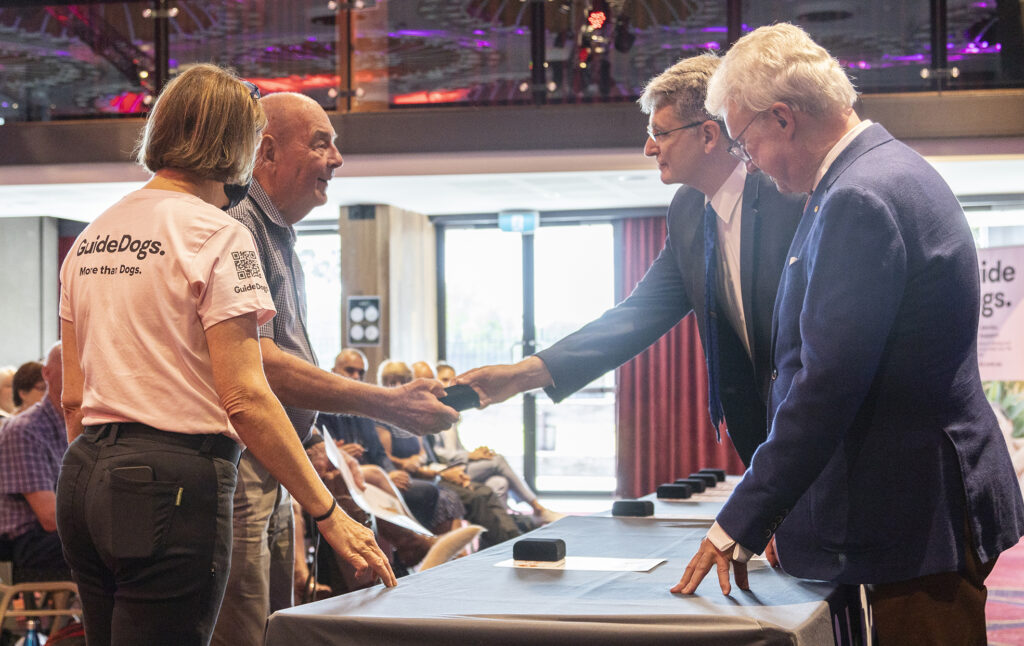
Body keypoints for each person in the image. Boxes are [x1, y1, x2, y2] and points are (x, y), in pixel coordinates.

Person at [675, 23, 1024, 645]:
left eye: (743, 140)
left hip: (913, 514)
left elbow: (826, 381)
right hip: (913, 504)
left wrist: (741, 521)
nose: (746, 160)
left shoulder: (859, 197)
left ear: (781, 118)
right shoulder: (872, 173)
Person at [57, 65, 395, 646]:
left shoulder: (93, 236)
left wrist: (112, 480)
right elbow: (245, 395)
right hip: (176, 477)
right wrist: (327, 512)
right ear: (240, 143)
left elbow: (70, 397)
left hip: (84, 475)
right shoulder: (218, 234)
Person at [456, 54, 805, 468]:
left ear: (709, 135)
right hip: (761, 442)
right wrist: (520, 376)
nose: (648, 148)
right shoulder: (688, 210)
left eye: (660, 132)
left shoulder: (791, 197)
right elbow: (637, 317)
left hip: (821, 434)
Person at [212, 92, 458, 646]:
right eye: (321, 142)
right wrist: (386, 402)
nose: (338, 159)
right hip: (244, 459)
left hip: (275, 457)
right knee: (248, 631)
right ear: (267, 152)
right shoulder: (239, 225)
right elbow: (261, 364)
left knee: (276, 622)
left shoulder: (276, 230)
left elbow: (287, 355)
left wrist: (313, 434)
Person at [377, 360, 523, 549]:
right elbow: (388, 458)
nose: (397, 386)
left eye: (403, 381)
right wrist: (439, 471)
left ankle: (511, 539)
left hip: (433, 469)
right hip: (419, 475)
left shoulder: (413, 413)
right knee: (470, 496)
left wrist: (430, 464)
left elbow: (424, 452)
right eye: (391, 381)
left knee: (488, 488)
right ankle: (506, 545)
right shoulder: (383, 417)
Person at [434, 362, 562, 523]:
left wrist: (476, 454)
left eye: (452, 380)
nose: (449, 385)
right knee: (498, 461)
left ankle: (498, 538)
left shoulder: (452, 411)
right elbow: (439, 453)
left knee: (498, 483)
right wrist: (470, 456)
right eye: (444, 379)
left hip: (460, 463)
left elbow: (456, 448)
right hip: (447, 469)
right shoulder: (433, 413)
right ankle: (537, 507)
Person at [0, 342, 70, 582]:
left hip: (54, 533)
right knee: (117, 548)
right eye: (70, 365)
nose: (80, 373)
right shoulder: (25, 430)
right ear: (47, 374)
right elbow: (50, 518)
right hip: (27, 540)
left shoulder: (77, 424)